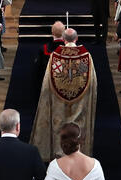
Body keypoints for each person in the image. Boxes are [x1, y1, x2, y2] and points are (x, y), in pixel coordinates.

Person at [30, 28, 97, 162]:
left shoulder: (55, 56)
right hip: (80, 102)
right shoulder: (86, 57)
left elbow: (47, 83)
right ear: (76, 39)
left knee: (59, 122)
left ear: (64, 39)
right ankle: (79, 152)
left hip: (58, 103)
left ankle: (59, 153)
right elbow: (92, 83)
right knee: (78, 125)